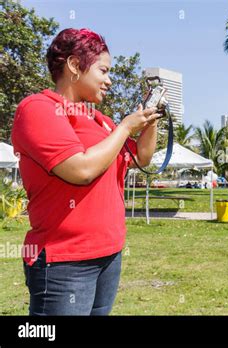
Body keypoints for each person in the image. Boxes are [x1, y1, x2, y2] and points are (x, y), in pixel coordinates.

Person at [11, 28, 160, 315]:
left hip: (108, 254)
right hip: (63, 260)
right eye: (103, 70)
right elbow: (81, 170)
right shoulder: (37, 108)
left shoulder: (101, 121)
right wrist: (127, 127)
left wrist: (150, 120)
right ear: (74, 66)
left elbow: (142, 158)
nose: (109, 80)